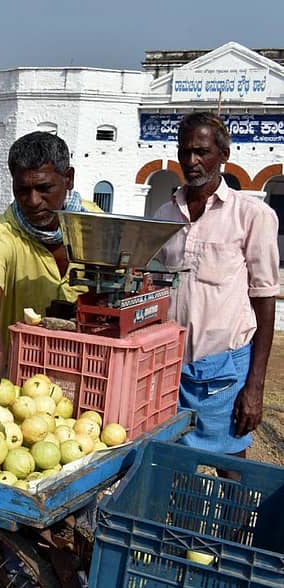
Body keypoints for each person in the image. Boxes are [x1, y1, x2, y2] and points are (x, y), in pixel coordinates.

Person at [153, 112, 278, 463]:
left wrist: (255, 386)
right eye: (185, 151)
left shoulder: (251, 215)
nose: (191, 161)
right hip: (171, 368)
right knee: (170, 462)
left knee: (230, 465)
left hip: (225, 370)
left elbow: (265, 299)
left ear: (224, 154)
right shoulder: (164, 214)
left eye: (202, 152)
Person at [0, 131, 101, 386]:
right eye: (23, 190)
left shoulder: (97, 225)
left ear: (68, 179)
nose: (34, 201)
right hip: (20, 383)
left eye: (44, 188)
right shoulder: (1, 233)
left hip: (87, 376)